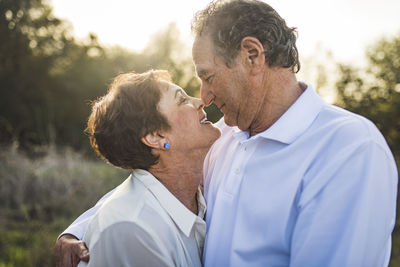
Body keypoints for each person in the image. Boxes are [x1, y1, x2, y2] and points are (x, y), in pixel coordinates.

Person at [55, 0, 398, 266]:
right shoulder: (226, 138)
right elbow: (152, 184)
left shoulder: (348, 150)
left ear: (252, 55)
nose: (204, 97)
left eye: (208, 76)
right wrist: (81, 230)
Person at [57, 69, 221, 267]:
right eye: (182, 99)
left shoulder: (194, 196)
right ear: (156, 137)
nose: (199, 101)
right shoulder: (133, 231)